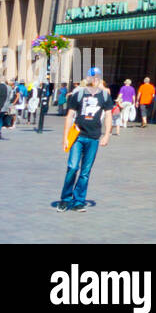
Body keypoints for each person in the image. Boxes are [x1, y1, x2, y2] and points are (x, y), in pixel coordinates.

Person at [59, 67, 114, 212]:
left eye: (97, 77)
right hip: (77, 136)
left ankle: (79, 201)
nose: (94, 79)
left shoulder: (105, 96)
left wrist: (107, 134)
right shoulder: (78, 94)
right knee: (72, 167)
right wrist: (65, 137)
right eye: (92, 77)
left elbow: (108, 115)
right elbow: (70, 115)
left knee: (85, 171)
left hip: (94, 137)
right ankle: (65, 199)